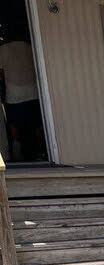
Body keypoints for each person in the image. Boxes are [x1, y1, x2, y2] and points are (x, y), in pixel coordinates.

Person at [0, 24, 45, 162]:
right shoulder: (31, 47)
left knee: (14, 122)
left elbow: (1, 72)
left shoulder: (3, 49)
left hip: (13, 92)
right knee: (36, 123)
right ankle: (40, 150)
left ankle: (16, 149)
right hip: (32, 91)